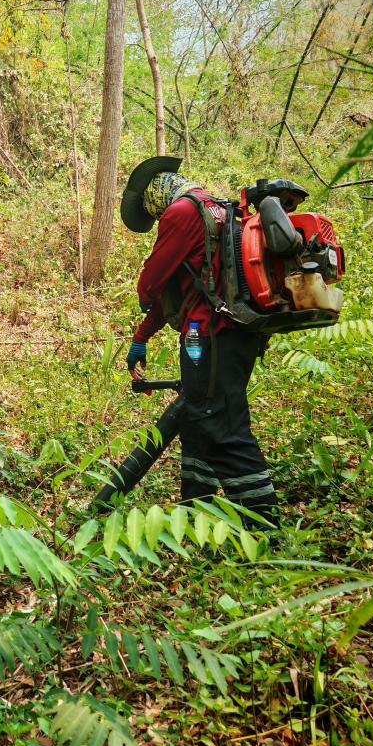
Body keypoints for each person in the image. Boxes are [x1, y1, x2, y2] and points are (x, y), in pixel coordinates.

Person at [121, 156, 279, 525]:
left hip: (208, 337)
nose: (156, 216)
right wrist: (141, 337)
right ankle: (196, 513)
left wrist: (144, 294)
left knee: (219, 424)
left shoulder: (181, 212)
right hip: (234, 335)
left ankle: (264, 523)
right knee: (197, 419)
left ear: (156, 197)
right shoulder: (217, 209)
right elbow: (185, 289)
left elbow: (152, 282)